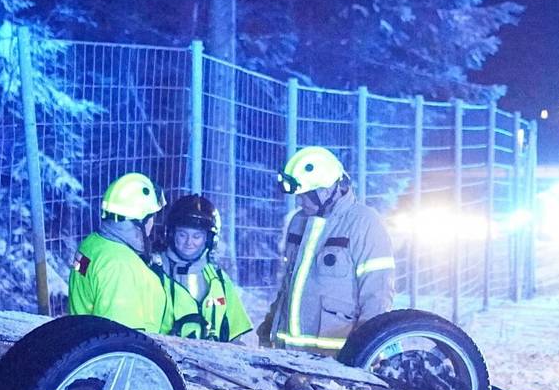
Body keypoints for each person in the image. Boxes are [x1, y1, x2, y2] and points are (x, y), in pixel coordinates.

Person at [260, 146, 396, 351]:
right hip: (287, 355)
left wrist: (367, 348)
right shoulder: (299, 221)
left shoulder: (364, 223)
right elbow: (290, 283)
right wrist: (270, 324)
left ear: (326, 189)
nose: (300, 201)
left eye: (306, 195)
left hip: (335, 359)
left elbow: (377, 293)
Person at [152, 194, 256, 345]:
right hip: (164, 362)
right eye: (182, 235)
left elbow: (235, 336)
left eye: (197, 236)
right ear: (171, 234)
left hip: (211, 363)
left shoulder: (218, 279)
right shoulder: (156, 274)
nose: (189, 242)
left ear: (209, 239)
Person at [67, 172, 167, 330]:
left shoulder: (93, 244)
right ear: (140, 220)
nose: (153, 223)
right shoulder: (121, 267)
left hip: (82, 338)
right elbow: (120, 338)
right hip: (130, 351)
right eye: (152, 216)